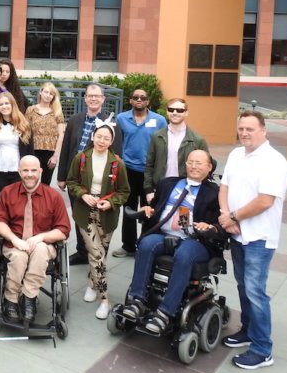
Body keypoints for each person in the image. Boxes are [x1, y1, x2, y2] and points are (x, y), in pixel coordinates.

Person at [121, 150, 224, 335]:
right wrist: (148, 210)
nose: (193, 166)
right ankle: (137, 300)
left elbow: (222, 225)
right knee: (146, 245)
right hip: (164, 233)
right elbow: (155, 208)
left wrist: (210, 226)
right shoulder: (168, 183)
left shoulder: (215, 193)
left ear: (209, 167)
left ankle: (165, 312)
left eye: (199, 163)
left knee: (184, 254)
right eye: (190, 162)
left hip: (196, 240)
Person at [217, 111, 287, 370]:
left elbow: (265, 201)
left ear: (263, 130)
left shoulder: (274, 161)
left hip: (259, 237)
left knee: (255, 291)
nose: (245, 133)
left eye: (250, 129)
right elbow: (224, 188)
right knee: (242, 286)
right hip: (237, 234)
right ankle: (248, 330)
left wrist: (233, 216)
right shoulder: (237, 155)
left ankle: (262, 349)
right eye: (241, 128)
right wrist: (227, 217)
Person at [0, 156, 70, 324]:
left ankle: (29, 298)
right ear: (19, 172)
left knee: (41, 249)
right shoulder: (7, 192)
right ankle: (11, 299)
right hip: (15, 243)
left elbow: (64, 230)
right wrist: (14, 239)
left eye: (33, 170)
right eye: (25, 170)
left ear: (40, 171)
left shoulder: (53, 196)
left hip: (43, 244)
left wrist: (41, 237)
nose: (29, 174)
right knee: (19, 256)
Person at [65, 123, 130, 320]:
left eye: (106, 138)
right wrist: (83, 195)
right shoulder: (81, 158)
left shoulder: (118, 164)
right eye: (99, 136)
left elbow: (124, 192)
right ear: (93, 136)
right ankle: (104, 299)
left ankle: (92, 284)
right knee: (96, 255)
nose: (102, 140)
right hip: (85, 213)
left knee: (100, 253)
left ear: (111, 142)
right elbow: (71, 181)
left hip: (107, 215)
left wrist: (111, 202)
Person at [57, 83, 122, 266]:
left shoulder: (112, 124)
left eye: (97, 96)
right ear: (85, 98)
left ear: (103, 99)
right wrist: (62, 176)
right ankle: (82, 251)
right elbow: (66, 149)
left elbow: (117, 155)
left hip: (98, 178)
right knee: (79, 214)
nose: (93, 99)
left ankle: (98, 251)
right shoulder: (75, 120)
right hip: (74, 177)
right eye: (90, 96)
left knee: (97, 216)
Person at [112, 89, 167, 258]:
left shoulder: (159, 120)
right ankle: (128, 245)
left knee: (149, 209)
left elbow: (164, 145)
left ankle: (145, 245)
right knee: (128, 208)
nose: (139, 100)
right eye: (135, 97)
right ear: (130, 100)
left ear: (148, 101)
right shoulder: (121, 118)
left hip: (149, 172)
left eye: (143, 97)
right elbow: (116, 143)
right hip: (127, 170)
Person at [144, 98, 208, 205]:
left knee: (183, 220)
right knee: (159, 220)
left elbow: (206, 168)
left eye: (179, 110)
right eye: (171, 109)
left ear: (186, 112)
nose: (175, 113)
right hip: (160, 190)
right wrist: (149, 190)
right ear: (167, 111)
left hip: (186, 192)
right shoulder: (157, 136)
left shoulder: (197, 140)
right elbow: (149, 165)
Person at [0, 92, 32, 218]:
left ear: (12, 104)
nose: (4, 106)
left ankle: (16, 231)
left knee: (18, 202)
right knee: (1, 202)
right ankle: (1, 232)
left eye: (7, 103)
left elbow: (30, 152)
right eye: (1, 104)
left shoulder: (24, 125)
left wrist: (31, 172)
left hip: (18, 171)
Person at [25, 82, 65, 186]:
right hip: (33, 151)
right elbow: (25, 131)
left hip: (50, 153)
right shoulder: (31, 110)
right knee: (30, 182)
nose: (48, 95)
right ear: (40, 92)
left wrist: (56, 156)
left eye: (51, 94)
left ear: (53, 97)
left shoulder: (57, 112)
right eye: (46, 92)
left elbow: (61, 135)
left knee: (45, 184)